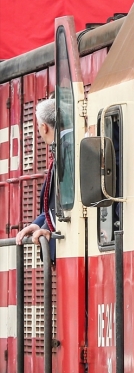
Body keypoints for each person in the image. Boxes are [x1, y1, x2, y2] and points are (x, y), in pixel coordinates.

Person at [16, 99, 57, 260]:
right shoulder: (61, 151)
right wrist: (37, 224)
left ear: (43, 127)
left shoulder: (68, 152)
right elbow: (55, 206)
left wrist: (47, 227)